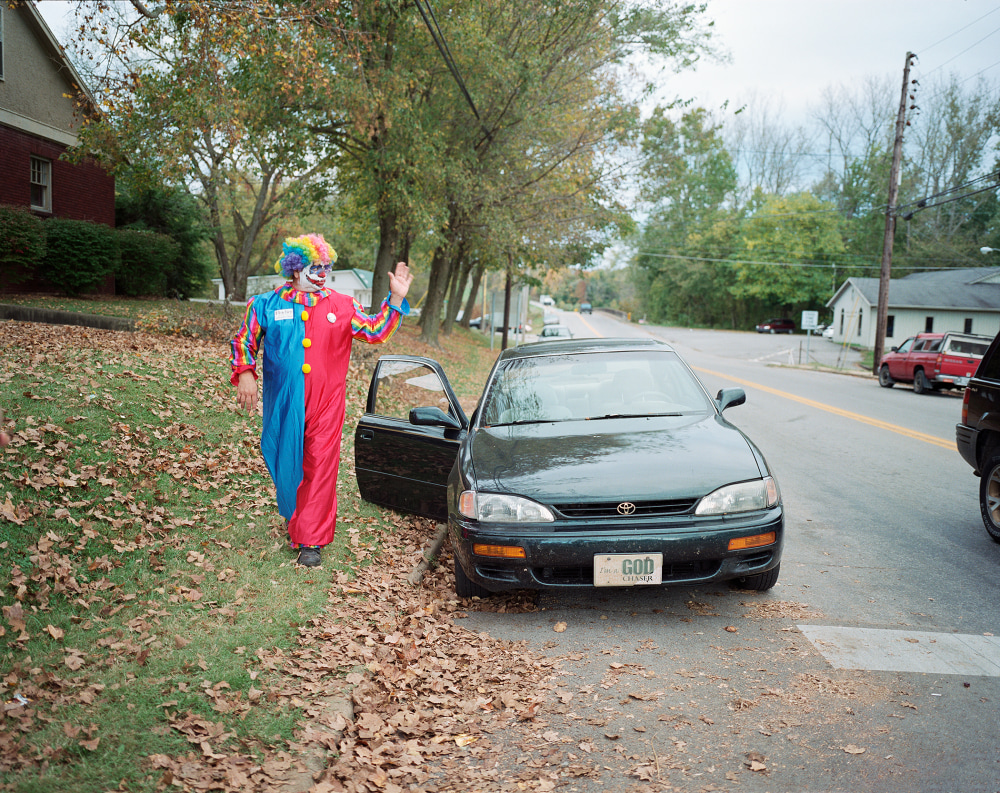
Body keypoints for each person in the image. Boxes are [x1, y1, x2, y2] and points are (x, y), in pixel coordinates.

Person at [230, 233, 413, 567]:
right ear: (296, 269)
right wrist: (245, 373)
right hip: (284, 402)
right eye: (316, 266)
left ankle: (310, 540)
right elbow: (245, 340)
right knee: (283, 460)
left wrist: (395, 300)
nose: (323, 272)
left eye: (327, 266)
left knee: (319, 466)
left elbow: (375, 331)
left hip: (326, 404)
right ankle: (295, 515)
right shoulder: (266, 304)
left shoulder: (342, 306)